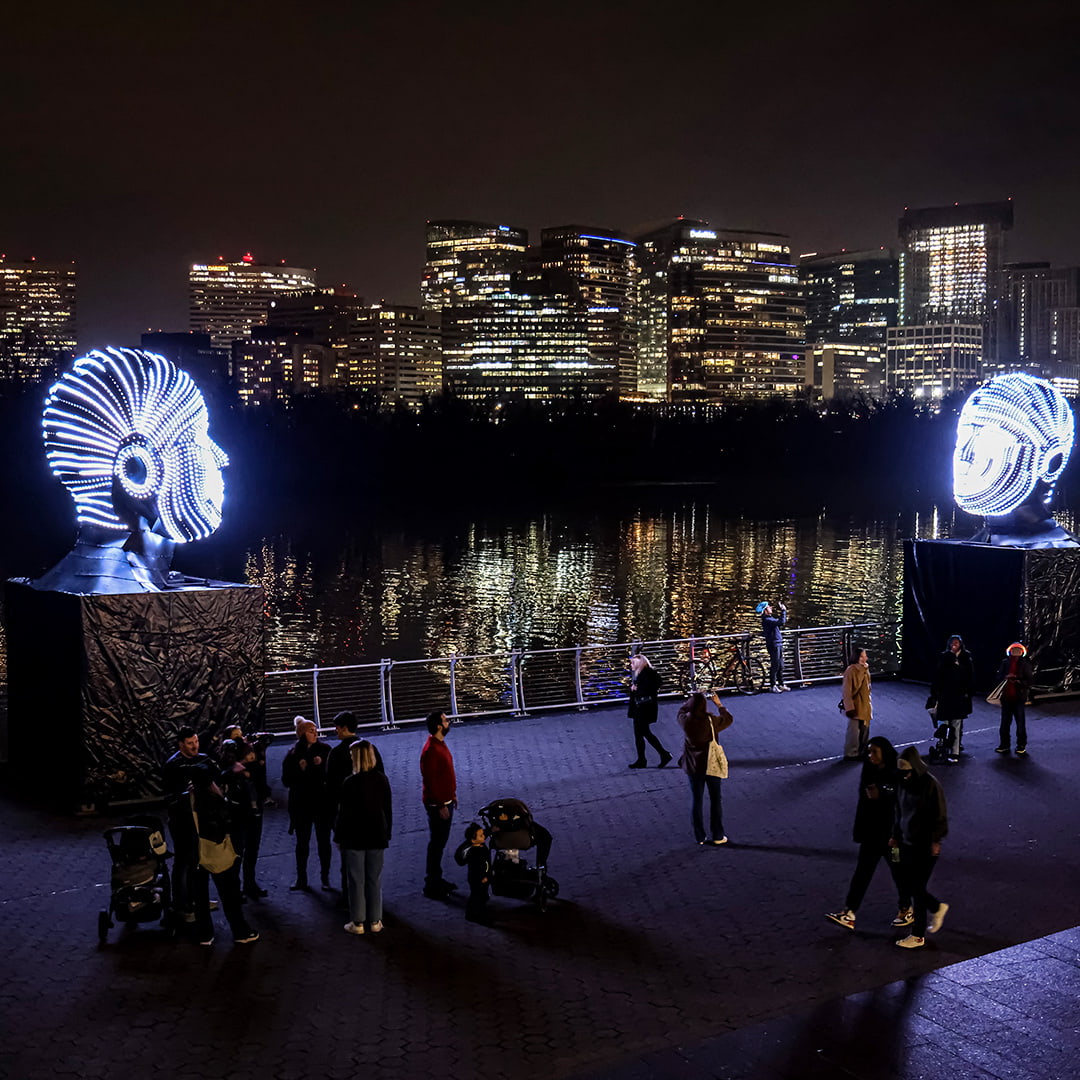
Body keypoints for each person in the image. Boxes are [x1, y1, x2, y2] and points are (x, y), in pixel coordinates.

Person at [161, 728, 257, 945]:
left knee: (199, 882)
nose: (194, 746)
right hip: (201, 837)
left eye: (195, 741)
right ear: (180, 744)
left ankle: (204, 931)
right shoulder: (176, 767)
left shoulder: (202, 762)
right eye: (190, 743)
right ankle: (234, 930)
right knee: (219, 883)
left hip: (199, 835)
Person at [825, 736, 912, 932]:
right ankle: (849, 912)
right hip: (873, 834)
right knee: (862, 873)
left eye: (874, 752)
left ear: (884, 753)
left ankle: (906, 908)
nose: (870, 755)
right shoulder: (869, 770)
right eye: (869, 752)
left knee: (899, 872)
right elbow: (864, 804)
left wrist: (882, 792)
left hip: (892, 837)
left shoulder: (896, 772)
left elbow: (901, 797)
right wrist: (861, 830)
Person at [891, 746, 949, 948]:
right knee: (911, 885)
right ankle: (936, 907)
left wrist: (936, 840)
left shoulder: (930, 785)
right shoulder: (903, 783)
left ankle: (918, 934)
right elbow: (899, 811)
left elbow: (940, 815)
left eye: (906, 771)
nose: (904, 775)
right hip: (907, 841)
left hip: (924, 844)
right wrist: (895, 835)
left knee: (916, 888)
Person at [335, 740, 392, 935]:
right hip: (377, 834)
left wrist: (339, 837)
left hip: (354, 837)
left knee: (356, 880)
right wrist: (387, 833)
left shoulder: (349, 782)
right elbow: (387, 809)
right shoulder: (381, 779)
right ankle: (375, 920)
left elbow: (343, 814)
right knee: (374, 879)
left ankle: (358, 921)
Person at [326, 711, 384, 895]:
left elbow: (331, 786)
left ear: (344, 728)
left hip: (347, 815)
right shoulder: (370, 749)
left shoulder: (336, 753)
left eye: (337, 727)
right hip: (370, 813)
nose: (335, 731)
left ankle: (350, 895)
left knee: (349, 859)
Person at [281, 716, 334, 891]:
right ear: (302, 734)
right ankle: (301, 878)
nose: (315, 733)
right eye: (311, 731)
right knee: (302, 843)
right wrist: (301, 770)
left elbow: (331, 775)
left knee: (323, 842)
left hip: (321, 803)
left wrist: (321, 766)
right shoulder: (293, 754)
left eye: (315, 730)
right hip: (302, 805)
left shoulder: (325, 750)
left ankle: (325, 877)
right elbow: (286, 780)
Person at [676, 692, 733, 845]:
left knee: (696, 800)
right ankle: (718, 835)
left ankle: (700, 837)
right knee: (715, 800)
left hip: (694, 766)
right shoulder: (711, 721)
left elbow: (680, 712)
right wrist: (719, 704)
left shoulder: (686, 722)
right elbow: (728, 719)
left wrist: (687, 704)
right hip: (711, 764)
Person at [219, 738, 267, 899]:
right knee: (238, 852)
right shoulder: (231, 771)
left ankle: (249, 884)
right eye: (248, 753)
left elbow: (262, 787)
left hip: (254, 813)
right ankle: (235, 889)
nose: (252, 755)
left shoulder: (254, 768)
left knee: (252, 850)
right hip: (240, 815)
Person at [420, 709, 459, 899]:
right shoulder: (431, 750)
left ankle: (436, 878)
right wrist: (441, 804)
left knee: (439, 842)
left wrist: (452, 795)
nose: (448, 722)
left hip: (445, 800)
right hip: (439, 805)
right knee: (437, 843)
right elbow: (431, 781)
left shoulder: (439, 745)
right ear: (438, 726)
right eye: (445, 720)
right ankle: (432, 883)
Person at [926, 635, 974, 764]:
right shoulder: (946, 661)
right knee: (950, 725)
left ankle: (952, 750)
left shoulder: (965, 658)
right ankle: (949, 750)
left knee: (952, 725)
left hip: (954, 698)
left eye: (957, 642)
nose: (954, 644)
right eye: (953, 642)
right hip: (949, 698)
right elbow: (938, 678)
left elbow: (969, 678)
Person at [627, 653, 672, 769]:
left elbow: (648, 689)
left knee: (642, 733)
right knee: (642, 733)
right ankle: (648, 758)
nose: (631, 665)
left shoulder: (647, 674)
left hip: (643, 708)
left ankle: (660, 755)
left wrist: (636, 689)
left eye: (633, 663)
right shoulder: (646, 673)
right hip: (643, 708)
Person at [996, 642, 1035, 755]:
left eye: (1018, 650)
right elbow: (998, 677)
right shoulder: (1005, 663)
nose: (1016, 652)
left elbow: (1029, 680)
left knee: (1020, 724)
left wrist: (1017, 680)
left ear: (1022, 652)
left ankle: (1021, 745)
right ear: (1010, 652)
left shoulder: (1025, 664)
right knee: (1004, 723)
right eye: (1014, 650)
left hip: (1019, 698)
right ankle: (1004, 745)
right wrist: (1005, 678)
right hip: (1006, 697)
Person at [454, 822, 492, 925]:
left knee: (481, 895)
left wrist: (491, 830)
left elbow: (485, 833)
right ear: (473, 840)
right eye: (481, 835)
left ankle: (479, 911)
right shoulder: (475, 852)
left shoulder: (479, 845)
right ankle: (474, 915)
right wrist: (484, 876)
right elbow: (479, 867)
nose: (483, 836)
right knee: (476, 896)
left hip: (481, 878)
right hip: (478, 878)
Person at [841, 647, 872, 760]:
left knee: (864, 729)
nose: (865, 658)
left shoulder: (865, 668)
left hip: (865, 704)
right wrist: (850, 708)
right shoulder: (851, 670)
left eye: (865, 656)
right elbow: (847, 691)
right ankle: (851, 753)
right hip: (856, 704)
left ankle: (861, 751)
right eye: (861, 656)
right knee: (854, 731)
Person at [757, 601, 789, 692]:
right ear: (765, 610)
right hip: (774, 644)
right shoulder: (767, 620)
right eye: (768, 607)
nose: (771, 607)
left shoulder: (769, 619)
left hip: (778, 643)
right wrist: (783, 611)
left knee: (780, 665)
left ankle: (781, 684)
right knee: (775, 665)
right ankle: (773, 685)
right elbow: (781, 622)